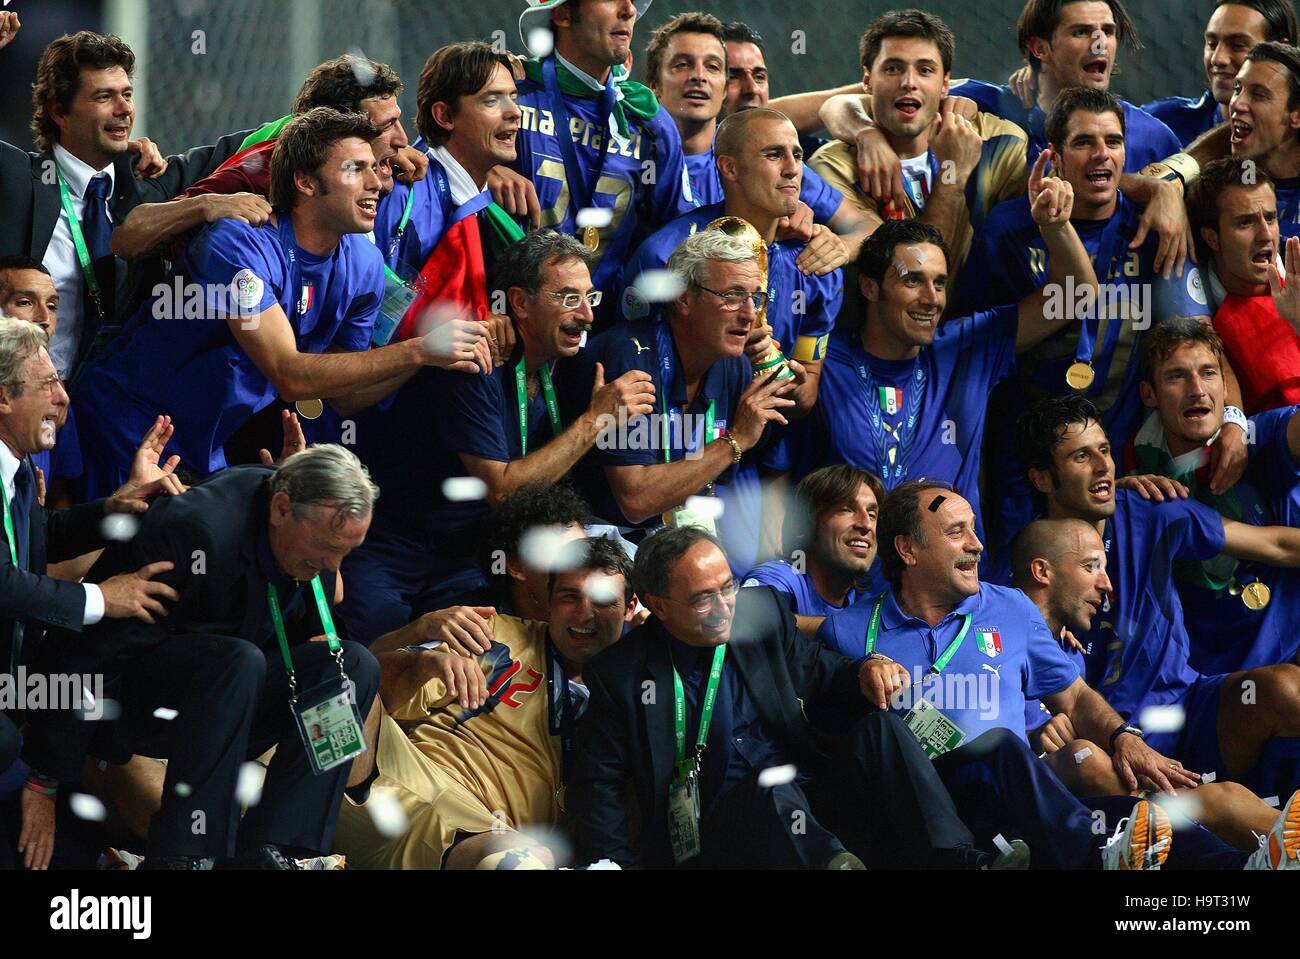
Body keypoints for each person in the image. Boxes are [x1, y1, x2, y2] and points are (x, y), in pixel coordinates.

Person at [72, 107, 491, 497]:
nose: (376, 183)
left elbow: (344, 394)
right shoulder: (238, 245)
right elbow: (290, 374)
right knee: (117, 565)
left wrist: (428, 354)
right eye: (355, 169)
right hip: (127, 425)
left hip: (206, 449)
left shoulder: (365, 265)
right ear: (306, 182)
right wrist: (419, 349)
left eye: (375, 169)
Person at [569, 525, 1022, 870]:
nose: (725, 608)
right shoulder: (621, 676)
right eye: (703, 599)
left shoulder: (761, 613)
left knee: (877, 726)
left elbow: (818, 669)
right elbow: (598, 789)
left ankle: (957, 859)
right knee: (772, 789)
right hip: (715, 833)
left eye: (727, 588)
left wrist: (866, 669)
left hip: (810, 798)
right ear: (658, 604)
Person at [23, 445, 382, 869]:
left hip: (223, 700)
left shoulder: (300, 530)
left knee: (351, 666)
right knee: (240, 661)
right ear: (281, 509)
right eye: (326, 547)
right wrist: (43, 780)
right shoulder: (197, 533)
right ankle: (186, 853)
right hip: (125, 707)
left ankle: (276, 850)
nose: (332, 564)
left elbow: (305, 619)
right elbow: (90, 647)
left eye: (346, 552)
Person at [817, 480, 1198, 869]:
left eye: (974, 528)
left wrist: (1122, 737)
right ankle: (1094, 854)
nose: (976, 544)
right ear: (907, 549)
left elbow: (1076, 697)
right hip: (908, 819)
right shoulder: (844, 632)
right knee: (998, 746)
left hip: (1001, 809)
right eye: (956, 531)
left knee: (1152, 816)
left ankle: (1242, 862)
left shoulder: (1011, 608)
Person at [958, 88, 1233, 578]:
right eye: (1085, 142)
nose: (1102, 154)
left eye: (1114, 141)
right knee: (1023, 584)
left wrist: (1232, 417)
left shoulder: (1155, 227)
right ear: (1055, 155)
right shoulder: (1009, 229)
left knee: (1106, 587)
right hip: (1023, 458)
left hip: (1120, 455)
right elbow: (975, 342)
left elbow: (1195, 343)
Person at [337, 231, 652, 644]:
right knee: (377, 665)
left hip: (473, 559)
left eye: (589, 299)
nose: (587, 316)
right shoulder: (476, 360)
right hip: (394, 550)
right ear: (520, 302)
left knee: (482, 674)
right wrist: (594, 423)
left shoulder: (573, 368)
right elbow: (503, 493)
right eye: (568, 298)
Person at [1014, 394, 1300, 793]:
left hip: (1192, 711)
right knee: (1085, 759)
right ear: (1043, 478)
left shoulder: (1147, 509)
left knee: (1286, 689)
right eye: (1081, 457)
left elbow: (1276, 546)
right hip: (1114, 746)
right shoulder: (1030, 571)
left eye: (1105, 450)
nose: (1103, 467)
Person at [788, 183, 1095, 548]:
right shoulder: (826, 361)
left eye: (940, 283)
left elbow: (1076, 296)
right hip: (851, 588)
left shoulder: (964, 348)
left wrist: (1056, 227)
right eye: (912, 281)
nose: (932, 299)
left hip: (950, 587)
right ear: (870, 288)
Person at [0, 318, 185, 870]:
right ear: (3, 398)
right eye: (48, 385)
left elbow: (38, 538)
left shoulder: (17, 464)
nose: (63, 397)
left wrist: (114, 508)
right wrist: (104, 597)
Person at [1013, 516, 1300, 870]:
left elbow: (1078, 708)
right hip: (1033, 793)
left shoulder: (1072, 654)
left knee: (1224, 795)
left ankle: (1276, 852)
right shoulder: (990, 616)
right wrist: (1034, 737)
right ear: (1042, 571)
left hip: (1115, 786)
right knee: (1085, 757)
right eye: (1091, 568)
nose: (1106, 584)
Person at [335, 537, 634, 869]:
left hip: (480, 835)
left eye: (604, 600)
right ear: (548, 601)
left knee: (519, 863)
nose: (585, 613)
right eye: (569, 597)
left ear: (631, 607)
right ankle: (285, 818)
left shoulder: (638, 695)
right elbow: (376, 690)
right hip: (396, 774)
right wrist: (423, 664)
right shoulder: (494, 633)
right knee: (340, 677)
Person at [0, 29, 254, 377]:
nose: (124, 110)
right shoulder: (16, 181)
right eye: (104, 97)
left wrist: (331, 109)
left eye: (127, 94)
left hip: (109, 413)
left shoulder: (149, 188)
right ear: (59, 110)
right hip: (15, 406)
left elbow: (241, 148)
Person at [572, 230, 803, 576]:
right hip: (601, 547)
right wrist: (735, 441)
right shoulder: (630, 358)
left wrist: (779, 391)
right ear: (683, 298)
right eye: (732, 296)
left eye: (755, 297)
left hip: (680, 540)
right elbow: (635, 501)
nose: (748, 313)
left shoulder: (734, 364)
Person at [620, 107, 846, 421]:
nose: (793, 169)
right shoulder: (665, 256)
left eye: (797, 155)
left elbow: (807, 395)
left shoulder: (817, 265)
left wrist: (781, 378)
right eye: (774, 155)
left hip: (764, 460)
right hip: (671, 448)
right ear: (730, 168)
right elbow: (629, 373)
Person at [111, 52, 421, 261]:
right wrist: (208, 204)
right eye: (386, 126)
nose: (403, 141)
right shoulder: (259, 173)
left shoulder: (324, 153)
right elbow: (128, 240)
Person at [809, 9, 1030, 291]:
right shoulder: (833, 168)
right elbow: (910, 278)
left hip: (986, 326)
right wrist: (953, 177)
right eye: (892, 68)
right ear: (867, 81)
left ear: (945, 84)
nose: (908, 82)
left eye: (925, 70)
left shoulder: (1000, 143)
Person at [1127, 319, 1300, 674]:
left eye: (1208, 373)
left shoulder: (1260, 436)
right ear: (1149, 394)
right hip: (1208, 673)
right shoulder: (1137, 479)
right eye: (1177, 376)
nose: (1197, 389)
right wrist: (1112, 492)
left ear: (1225, 385)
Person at [511, 0, 697, 328]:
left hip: (606, 332)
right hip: (514, 331)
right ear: (563, 13)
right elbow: (437, 173)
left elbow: (677, 230)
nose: (629, 10)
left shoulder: (648, 120)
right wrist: (481, 174)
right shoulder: (510, 96)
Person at [643, 14, 865, 253]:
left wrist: (834, 248)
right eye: (682, 65)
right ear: (653, 85)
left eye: (712, 67)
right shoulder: (631, 153)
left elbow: (863, 227)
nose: (699, 76)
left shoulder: (778, 159)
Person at [1188, 156, 1300, 411]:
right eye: (1245, 222)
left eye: (1270, 218)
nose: (1265, 235)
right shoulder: (1188, 308)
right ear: (1211, 238)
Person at [743, 465, 884, 630]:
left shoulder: (865, 602)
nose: (866, 524)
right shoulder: (783, 576)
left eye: (872, 515)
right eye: (847, 510)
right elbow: (748, 620)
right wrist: (848, 630)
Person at [1143, 1, 1298, 148]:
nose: (1217, 59)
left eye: (1237, 46)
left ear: (1281, 49)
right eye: (1212, 44)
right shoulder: (1159, 125)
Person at [0, 258, 81, 494]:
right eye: (25, 302)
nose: (44, 318)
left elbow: (58, 498)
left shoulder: (55, 399)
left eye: (53, 306)